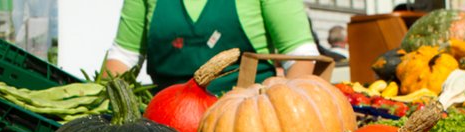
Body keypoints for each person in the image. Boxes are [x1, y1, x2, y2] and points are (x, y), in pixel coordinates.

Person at [102, 0, 320, 95]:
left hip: (243, 121)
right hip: (165, 126)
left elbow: (300, 55)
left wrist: (286, 115)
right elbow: (123, 57)